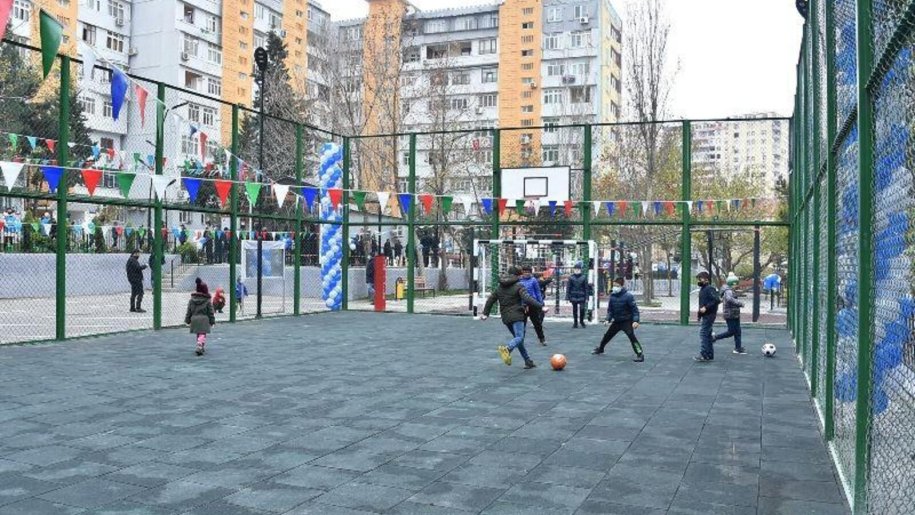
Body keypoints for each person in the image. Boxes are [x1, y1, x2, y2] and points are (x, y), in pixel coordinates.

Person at [481, 266, 543, 369]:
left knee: (518, 339)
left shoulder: (500, 287)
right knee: (519, 337)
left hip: (506, 317)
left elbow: (491, 299)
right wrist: (541, 306)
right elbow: (527, 298)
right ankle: (507, 349)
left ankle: (528, 361)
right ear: (518, 275)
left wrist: (485, 314)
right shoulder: (519, 286)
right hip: (517, 315)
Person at [592, 277, 644, 362]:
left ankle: (640, 354)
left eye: (617, 286)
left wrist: (635, 321)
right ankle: (600, 349)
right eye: (614, 285)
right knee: (607, 335)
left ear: (621, 286)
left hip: (626, 321)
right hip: (617, 321)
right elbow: (610, 310)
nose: (615, 287)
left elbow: (635, 310)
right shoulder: (612, 296)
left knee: (631, 337)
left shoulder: (628, 296)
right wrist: (607, 319)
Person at [713, 273, 746, 354]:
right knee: (731, 331)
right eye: (736, 284)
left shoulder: (729, 290)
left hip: (734, 313)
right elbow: (729, 299)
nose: (737, 286)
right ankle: (715, 337)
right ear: (732, 284)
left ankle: (738, 348)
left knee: (738, 331)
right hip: (730, 314)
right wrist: (740, 303)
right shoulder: (728, 291)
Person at [186, 278, 216, 356]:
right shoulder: (207, 301)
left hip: (194, 319)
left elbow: (189, 311)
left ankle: (201, 346)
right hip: (204, 320)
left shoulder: (192, 300)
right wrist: (212, 321)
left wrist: (187, 320)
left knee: (198, 333)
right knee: (202, 333)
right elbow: (210, 312)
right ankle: (200, 344)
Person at [519, 265, 548, 346]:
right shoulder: (519, 280)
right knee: (522, 324)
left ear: (531, 272)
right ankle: (521, 340)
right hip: (523, 305)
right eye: (525, 272)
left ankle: (542, 338)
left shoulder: (533, 280)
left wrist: (541, 303)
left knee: (537, 323)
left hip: (533, 304)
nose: (526, 273)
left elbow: (538, 292)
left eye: (528, 272)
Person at [695, 271, 721, 362]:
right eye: (699, 279)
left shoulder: (709, 288)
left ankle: (704, 354)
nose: (699, 280)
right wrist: (699, 315)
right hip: (706, 314)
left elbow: (717, 300)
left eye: (700, 279)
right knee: (708, 334)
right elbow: (702, 304)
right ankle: (709, 354)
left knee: (704, 334)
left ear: (706, 279)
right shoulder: (703, 289)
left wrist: (706, 307)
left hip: (709, 314)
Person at [566, 262, 590, 328]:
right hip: (573, 295)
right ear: (574, 270)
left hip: (582, 295)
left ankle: (581, 321)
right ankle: (575, 322)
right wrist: (567, 297)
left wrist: (587, 297)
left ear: (580, 270)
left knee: (582, 309)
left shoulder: (584, 277)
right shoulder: (571, 277)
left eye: (578, 269)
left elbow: (586, 288)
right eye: (575, 269)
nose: (577, 270)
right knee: (575, 310)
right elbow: (568, 288)